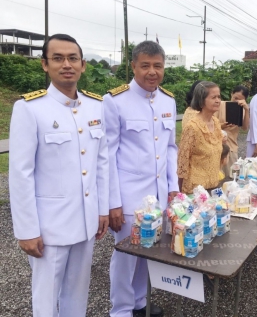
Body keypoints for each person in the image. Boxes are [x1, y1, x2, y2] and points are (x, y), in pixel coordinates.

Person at [9, 34, 109, 316]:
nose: (67, 64)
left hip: (86, 221)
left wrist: (102, 209)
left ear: (83, 65)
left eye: (72, 58)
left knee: (78, 293)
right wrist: (27, 230)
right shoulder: (30, 109)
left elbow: (101, 162)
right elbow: (21, 174)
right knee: (46, 297)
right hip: (50, 226)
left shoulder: (95, 106)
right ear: (45, 65)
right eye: (58, 58)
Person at [104, 41, 178, 317]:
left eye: (157, 66)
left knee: (150, 248)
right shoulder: (115, 101)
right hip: (128, 195)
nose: (152, 72)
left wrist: (173, 188)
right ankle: (121, 309)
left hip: (158, 194)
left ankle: (139, 301)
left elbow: (170, 148)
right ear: (133, 66)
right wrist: (112, 202)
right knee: (125, 256)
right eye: (145, 65)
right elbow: (108, 156)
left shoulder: (168, 100)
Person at [178, 81, 223, 193]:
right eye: (213, 97)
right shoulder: (192, 127)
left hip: (213, 186)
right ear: (201, 101)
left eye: (219, 97)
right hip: (195, 191)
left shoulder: (216, 123)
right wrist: (178, 193)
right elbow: (182, 161)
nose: (218, 100)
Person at [214, 85, 250, 176]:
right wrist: (221, 126)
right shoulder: (220, 105)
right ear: (231, 94)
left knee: (231, 175)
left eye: (240, 100)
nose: (236, 101)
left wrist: (246, 110)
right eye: (235, 98)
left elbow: (245, 128)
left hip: (232, 146)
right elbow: (210, 124)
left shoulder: (242, 109)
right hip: (217, 145)